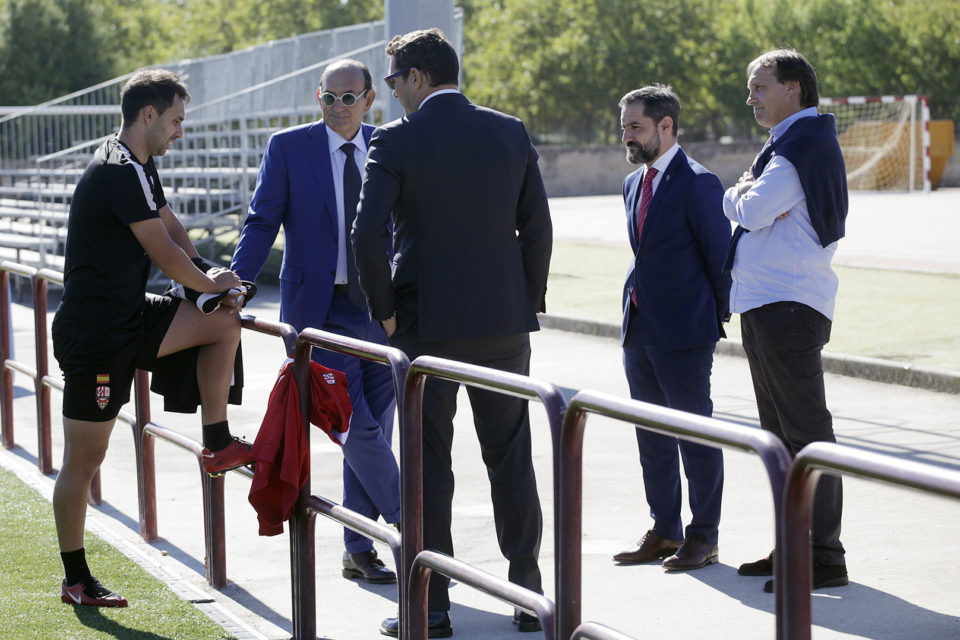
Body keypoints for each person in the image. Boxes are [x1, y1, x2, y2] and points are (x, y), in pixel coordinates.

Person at [352, 28, 552, 638]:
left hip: (424, 327)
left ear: (417, 77)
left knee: (428, 464)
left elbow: (365, 237)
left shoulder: (395, 140)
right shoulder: (509, 130)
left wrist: (386, 316)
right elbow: (537, 226)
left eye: (391, 81)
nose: (390, 95)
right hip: (501, 325)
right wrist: (525, 302)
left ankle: (432, 606)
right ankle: (526, 593)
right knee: (511, 455)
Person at [52, 68, 251, 607]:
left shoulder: (139, 163)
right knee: (84, 459)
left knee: (223, 321)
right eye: (177, 120)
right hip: (94, 336)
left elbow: (173, 229)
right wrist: (208, 284)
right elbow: (162, 253)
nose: (180, 131)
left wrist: (212, 284)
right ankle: (75, 580)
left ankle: (216, 440)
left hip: (129, 318)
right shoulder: (117, 168)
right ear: (148, 116)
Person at [231, 59, 401, 584]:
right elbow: (262, 220)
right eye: (330, 97)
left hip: (380, 313)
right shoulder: (289, 147)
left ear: (370, 99)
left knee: (372, 431)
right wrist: (237, 282)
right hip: (317, 313)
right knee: (357, 426)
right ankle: (414, 530)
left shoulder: (391, 144)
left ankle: (357, 547)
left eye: (350, 98)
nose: (339, 107)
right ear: (318, 96)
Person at [723, 49, 849, 592]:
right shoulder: (791, 143)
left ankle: (823, 555)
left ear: (793, 88)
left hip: (787, 307)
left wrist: (737, 191)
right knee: (779, 438)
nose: (750, 97)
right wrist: (747, 191)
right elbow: (755, 205)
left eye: (760, 86)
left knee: (806, 435)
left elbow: (750, 210)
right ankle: (794, 546)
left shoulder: (801, 143)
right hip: (768, 304)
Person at [612, 85, 730, 572]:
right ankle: (665, 528)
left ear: (666, 126)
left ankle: (704, 536)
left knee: (694, 436)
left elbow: (720, 259)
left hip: (685, 332)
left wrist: (710, 322)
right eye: (624, 128)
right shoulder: (632, 183)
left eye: (635, 127)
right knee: (651, 435)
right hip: (638, 326)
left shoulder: (700, 183)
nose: (627, 137)